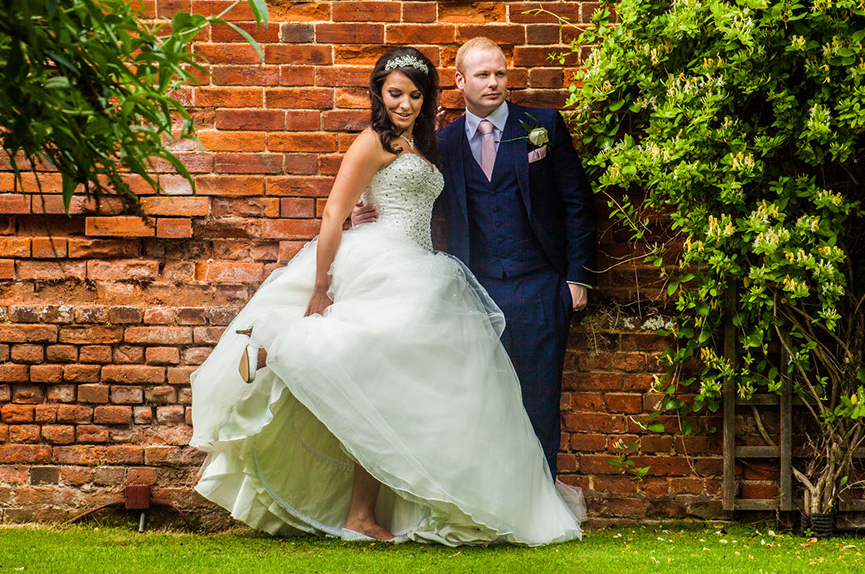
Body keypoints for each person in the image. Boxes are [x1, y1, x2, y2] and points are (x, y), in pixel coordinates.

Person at [190, 47, 585, 546]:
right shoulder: (373, 140)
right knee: (366, 358)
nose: (405, 103)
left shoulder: (423, 144)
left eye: (415, 95)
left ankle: (364, 511)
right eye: (395, 93)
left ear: (429, 98)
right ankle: (276, 343)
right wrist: (319, 287)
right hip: (384, 261)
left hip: (422, 264)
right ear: (379, 93)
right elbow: (333, 213)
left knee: (384, 389)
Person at [353, 37, 597, 475]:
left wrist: (577, 278)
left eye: (500, 73)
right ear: (461, 81)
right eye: (483, 75)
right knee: (481, 400)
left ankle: (541, 498)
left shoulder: (542, 125)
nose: (494, 83)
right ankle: (495, 497)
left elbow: (577, 202)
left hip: (540, 284)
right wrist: (366, 209)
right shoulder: (440, 143)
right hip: (474, 289)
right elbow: (413, 192)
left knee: (540, 398)